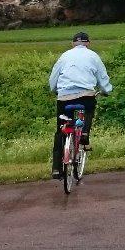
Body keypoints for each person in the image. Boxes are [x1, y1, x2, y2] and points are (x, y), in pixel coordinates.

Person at [48, 31, 113, 179]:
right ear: (88, 43)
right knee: (89, 108)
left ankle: (56, 168)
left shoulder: (64, 56)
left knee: (60, 130)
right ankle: (84, 133)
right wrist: (106, 90)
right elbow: (103, 78)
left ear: (72, 43)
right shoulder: (93, 56)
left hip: (64, 97)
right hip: (85, 95)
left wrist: (55, 90)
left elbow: (53, 79)